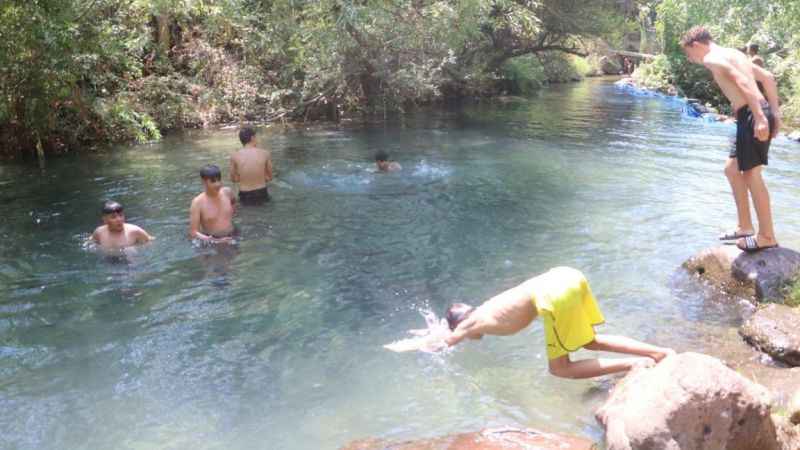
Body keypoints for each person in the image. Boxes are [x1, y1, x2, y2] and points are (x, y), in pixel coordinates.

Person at [444, 267, 675, 379]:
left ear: (459, 323)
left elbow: (446, 340)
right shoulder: (486, 308)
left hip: (553, 295)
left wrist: (424, 339)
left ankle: (637, 364)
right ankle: (659, 353)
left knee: (559, 369)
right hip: (567, 275)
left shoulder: (469, 323)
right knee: (590, 341)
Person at [681, 26, 781, 252]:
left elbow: (742, 82)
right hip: (754, 113)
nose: (692, 59)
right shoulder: (735, 54)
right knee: (732, 169)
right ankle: (744, 226)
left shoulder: (711, 58)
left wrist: (760, 118)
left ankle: (767, 236)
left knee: (752, 174)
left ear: (696, 45)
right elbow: (767, 77)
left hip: (751, 114)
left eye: (689, 54)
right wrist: (774, 113)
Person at [189, 165, 237, 243]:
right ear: (203, 181)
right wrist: (216, 241)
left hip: (233, 235)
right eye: (213, 181)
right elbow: (193, 232)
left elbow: (233, 202)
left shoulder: (227, 192)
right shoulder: (197, 203)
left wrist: (232, 212)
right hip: (213, 242)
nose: (218, 184)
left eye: (219, 180)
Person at [230, 126, 273, 206]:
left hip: (244, 194)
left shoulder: (234, 156)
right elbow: (270, 177)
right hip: (261, 192)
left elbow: (233, 179)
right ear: (252, 138)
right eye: (256, 137)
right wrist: (258, 177)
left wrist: (245, 178)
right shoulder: (265, 153)